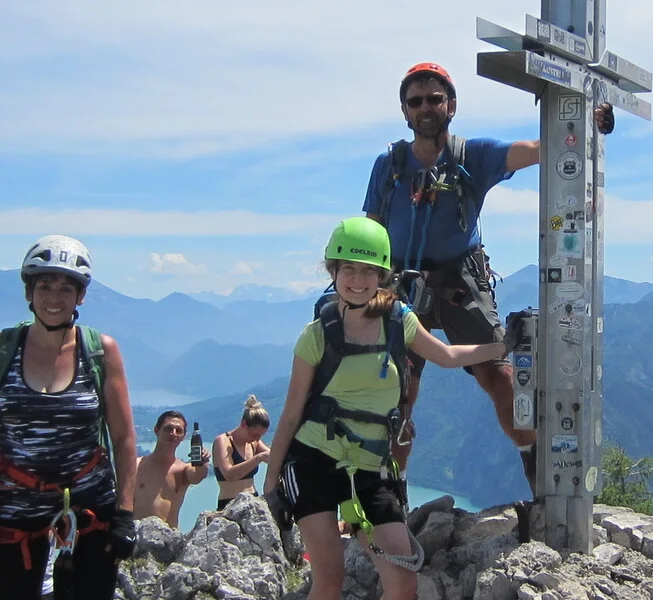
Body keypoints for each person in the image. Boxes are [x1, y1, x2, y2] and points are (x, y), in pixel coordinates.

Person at [360, 62, 613, 514]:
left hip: (458, 281)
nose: (425, 108)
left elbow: (535, 149)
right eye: (415, 100)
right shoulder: (388, 167)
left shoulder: (470, 156)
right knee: (397, 397)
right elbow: (370, 233)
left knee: (501, 378)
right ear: (404, 109)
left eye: (434, 99)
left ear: (451, 105)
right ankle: (389, 501)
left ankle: (543, 482)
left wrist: (585, 121)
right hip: (399, 282)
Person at [262, 217, 513, 600]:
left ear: (383, 274)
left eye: (368, 270)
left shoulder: (399, 321)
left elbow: (446, 355)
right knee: (329, 577)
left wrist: (504, 346)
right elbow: (292, 415)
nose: (358, 279)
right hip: (312, 459)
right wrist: (271, 484)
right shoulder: (315, 337)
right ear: (334, 271)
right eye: (348, 268)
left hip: (370, 465)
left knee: (402, 582)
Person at [0, 235, 138, 600]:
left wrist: (124, 513)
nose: (54, 298)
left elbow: (123, 438)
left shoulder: (100, 352)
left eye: (65, 288)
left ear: (80, 296)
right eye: (45, 286)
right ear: (29, 292)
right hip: (13, 512)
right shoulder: (0, 349)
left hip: (90, 511)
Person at [132, 410, 210, 527]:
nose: (173, 433)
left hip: (168, 539)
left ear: (183, 436)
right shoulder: (136, 465)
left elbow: (198, 475)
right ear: (156, 430)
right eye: (168, 429)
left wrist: (203, 462)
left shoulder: (182, 471)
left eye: (178, 431)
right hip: (137, 538)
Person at [213, 396, 274, 511]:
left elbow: (274, 457)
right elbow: (229, 474)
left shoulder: (254, 443)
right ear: (243, 424)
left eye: (260, 436)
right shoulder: (223, 441)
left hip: (253, 500)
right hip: (229, 504)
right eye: (254, 434)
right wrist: (258, 458)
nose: (257, 439)